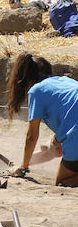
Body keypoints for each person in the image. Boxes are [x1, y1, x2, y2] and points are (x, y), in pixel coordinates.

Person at [5, 53, 78, 187]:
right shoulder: (67, 82)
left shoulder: (37, 91)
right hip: (73, 134)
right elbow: (72, 115)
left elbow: (32, 136)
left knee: (62, 184)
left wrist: (24, 167)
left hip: (75, 138)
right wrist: (56, 142)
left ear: (26, 80)